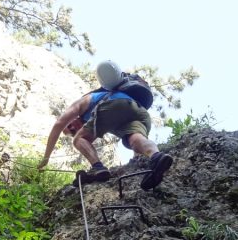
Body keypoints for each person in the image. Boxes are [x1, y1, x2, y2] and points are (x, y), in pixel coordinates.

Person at [38, 60, 174, 189]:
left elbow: (58, 124)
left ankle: (98, 168)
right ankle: (157, 157)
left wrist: (46, 158)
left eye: (70, 126)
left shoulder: (84, 101)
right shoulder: (101, 119)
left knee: (79, 139)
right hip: (139, 111)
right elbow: (136, 151)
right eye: (72, 131)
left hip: (114, 104)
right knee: (134, 139)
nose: (74, 128)